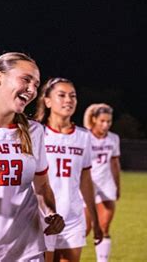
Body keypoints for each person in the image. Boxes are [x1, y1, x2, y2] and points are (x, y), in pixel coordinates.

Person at [0, 52, 65, 261]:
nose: (32, 89)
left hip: (26, 251)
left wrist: (51, 213)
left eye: (36, 84)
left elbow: (42, 187)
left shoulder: (34, 131)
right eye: (26, 79)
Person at [34, 77, 103, 261]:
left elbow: (86, 181)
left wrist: (96, 221)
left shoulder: (83, 136)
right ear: (47, 101)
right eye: (62, 95)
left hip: (73, 217)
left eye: (72, 96)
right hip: (42, 216)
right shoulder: (36, 133)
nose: (69, 100)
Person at [83, 103, 121, 262]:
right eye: (102, 121)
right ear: (94, 119)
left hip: (106, 185)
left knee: (104, 228)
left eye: (109, 122)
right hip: (86, 186)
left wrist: (117, 186)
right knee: (84, 229)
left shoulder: (113, 138)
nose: (105, 125)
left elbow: (114, 163)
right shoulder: (84, 137)